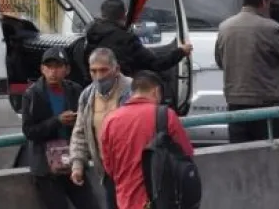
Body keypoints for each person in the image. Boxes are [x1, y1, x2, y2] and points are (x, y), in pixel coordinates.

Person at [215, 0, 279, 143]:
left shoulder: (224, 28)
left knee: (241, 159)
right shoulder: (271, 28)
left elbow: (220, 61)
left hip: (235, 105)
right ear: (264, 1)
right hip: (268, 106)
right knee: (272, 159)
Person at [99, 71, 194, 209]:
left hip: (125, 201)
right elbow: (187, 155)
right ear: (156, 91)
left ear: (132, 92)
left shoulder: (110, 121)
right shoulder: (166, 116)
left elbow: (109, 167)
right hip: (161, 200)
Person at [22, 48, 98, 209]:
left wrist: (77, 121)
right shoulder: (33, 94)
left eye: (58, 67)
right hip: (46, 168)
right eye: (49, 67)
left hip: (73, 161)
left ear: (67, 69)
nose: (53, 71)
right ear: (42, 69)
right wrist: (57, 121)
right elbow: (29, 131)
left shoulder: (75, 90)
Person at [69, 48, 133, 209]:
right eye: (93, 71)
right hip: (107, 171)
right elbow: (80, 133)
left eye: (103, 70)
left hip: (134, 171)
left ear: (116, 69)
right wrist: (77, 164)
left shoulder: (133, 91)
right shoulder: (87, 96)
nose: (98, 76)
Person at [84, 0, 192, 79]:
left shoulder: (89, 35)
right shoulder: (125, 39)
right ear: (124, 16)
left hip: (96, 94)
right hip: (121, 93)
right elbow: (156, 64)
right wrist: (181, 51)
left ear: (102, 14)